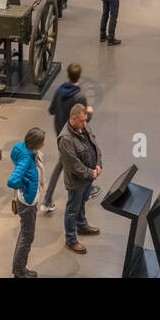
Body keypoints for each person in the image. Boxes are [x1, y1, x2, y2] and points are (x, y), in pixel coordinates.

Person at [42, 62, 91, 213]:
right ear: (79, 76)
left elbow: (51, 111)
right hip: (74, 135)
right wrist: (90, 111)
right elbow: (84, 119)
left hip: (60, 133)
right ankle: (47, 199)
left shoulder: (58, 91)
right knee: (69, 162)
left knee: (67, 161)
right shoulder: (80, 96)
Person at [59, 104, 102, 254]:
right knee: (72, 209)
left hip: (88, 177)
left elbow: (95, 146)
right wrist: (91, 173)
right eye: (82, 121)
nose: (85, 124)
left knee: (83, 202)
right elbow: (73, 165)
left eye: (86, 120)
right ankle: (71, 240)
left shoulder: (84, 127)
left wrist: (98, 164)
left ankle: (82, 225)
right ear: (73, 119)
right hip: (76, 181)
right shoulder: (65, 139)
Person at [7, 126, 45, 278]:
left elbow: (12, 154)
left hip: (24, 198)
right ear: (36, 144)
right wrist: (23, 185)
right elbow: (12, 181)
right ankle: (19, 271)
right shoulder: (26, 160)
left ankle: (19, 268)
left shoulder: (20, 147)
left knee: (25, 234)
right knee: (27, 237)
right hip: (28, 203)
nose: (44, 144)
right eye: (42, 142)